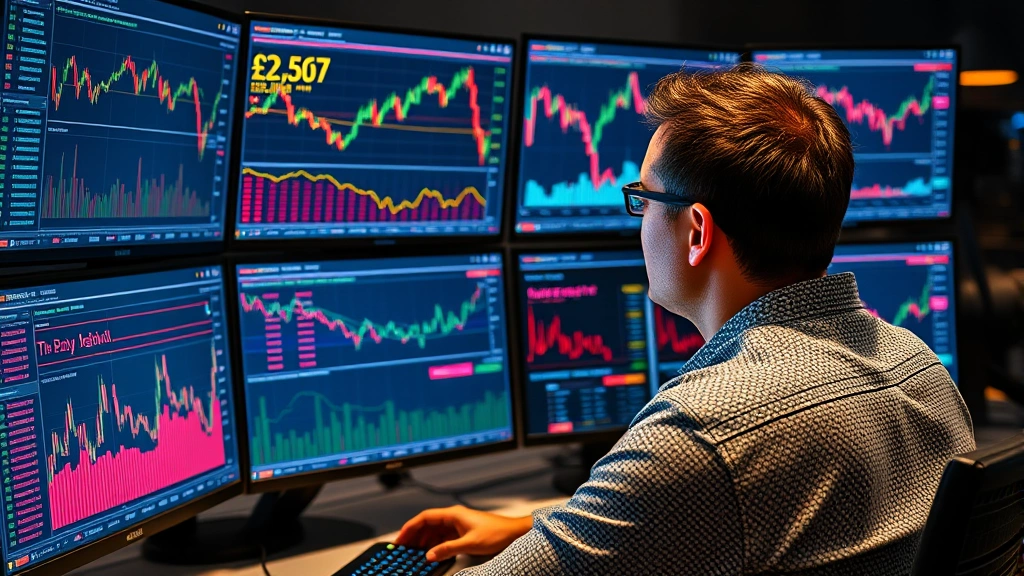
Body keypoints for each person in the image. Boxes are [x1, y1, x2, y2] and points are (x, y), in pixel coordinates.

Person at [395, 63, 975, 575]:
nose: (639, 219)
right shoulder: (920, 367)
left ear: (697, 231)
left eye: (643, 199)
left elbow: (699, 484)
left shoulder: (705, 430)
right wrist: (536, 528)